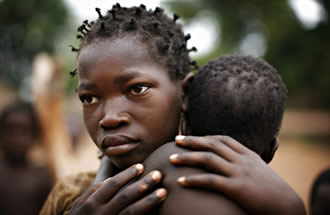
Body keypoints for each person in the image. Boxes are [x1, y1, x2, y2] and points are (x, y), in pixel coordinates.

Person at [40, 4, 305, 215]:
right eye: (89, 99)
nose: (109, 118)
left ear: (185, 92)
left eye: (137, 89)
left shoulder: (251, 194)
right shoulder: (69, 196)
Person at [0, 101, 53, 215]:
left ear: (34, 135)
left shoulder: (42, 178)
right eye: (10, 129)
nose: (17, 138)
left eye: (25, 130)